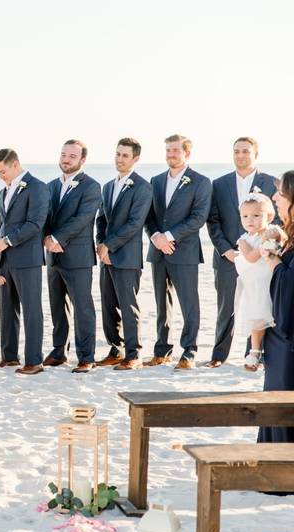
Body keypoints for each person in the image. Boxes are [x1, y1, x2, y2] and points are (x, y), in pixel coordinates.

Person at [205, 137, 277, 367]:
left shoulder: (271, 182)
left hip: (261, 260)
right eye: (236, 151)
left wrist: (266, 248)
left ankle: (254, 354)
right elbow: (213, 221)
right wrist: (225, 249)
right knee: (226, 307)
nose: (240, 155)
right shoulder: (219, 183)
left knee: (260, 304)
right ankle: (219, 355)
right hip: (228, 257)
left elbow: (279, 220)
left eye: (245, 151)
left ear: (256, 154)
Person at [143, 134, 212, 370]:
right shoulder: (156, 180)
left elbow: (198, 218)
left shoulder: (201, 182)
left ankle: (189, 351)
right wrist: (155, 238)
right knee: (161, 304)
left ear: (187, 153)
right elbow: (149, 216)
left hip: (184, 251)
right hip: (158, 251)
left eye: (175, 150)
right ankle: (162, 350)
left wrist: (168, 237)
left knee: (189, 303)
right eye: (168, 150)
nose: (171, 154)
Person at [0, 148, 50, 375]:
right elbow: (2, 223)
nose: (1, 176)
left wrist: (7, 241)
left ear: (15, 164)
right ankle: (9, 357)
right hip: (5, 261)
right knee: (7, 309)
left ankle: (34, 361)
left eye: (3, 171)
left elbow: (35, 224)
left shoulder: (37, 187)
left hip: (27, 259)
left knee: (31, 310)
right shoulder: (4, 192)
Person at [42, 140, 100, 373]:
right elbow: (43, 217)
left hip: (78, 258)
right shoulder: (50, 186)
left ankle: (87, 356)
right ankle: (59, 351)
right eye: (64, 154)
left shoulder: (91, 187)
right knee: (57, 306)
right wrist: (45, 238)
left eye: (72, 156)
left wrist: (56, 239)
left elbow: (82, 219)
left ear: (82, 160)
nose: (66, 159)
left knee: (83, 308)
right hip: (53, 257)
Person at [95, 138, 152, 370]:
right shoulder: (108, 186)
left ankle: (133, 354)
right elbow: (101, 220)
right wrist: (100, 245)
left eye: (125, 155)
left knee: (128, 307)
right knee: (108, 305)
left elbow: (134, 223)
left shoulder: (143, 187)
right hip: (106, 256)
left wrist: (109, 245)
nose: (119, 159)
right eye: (117, 154)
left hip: (127, 256)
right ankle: (115, 349)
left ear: (135, 159)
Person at [258, 171, 294, 444]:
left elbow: (290, 285)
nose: (274, 198)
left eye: (280, 194)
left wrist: (273, 262)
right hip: (279, 336)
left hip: (288, 337)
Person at [234, 194, 284, 371]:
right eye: (245, 216)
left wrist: (275, 237)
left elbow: (281, 244)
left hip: (274, 280)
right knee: (257, 318)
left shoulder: (274, 231)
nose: (250, 220)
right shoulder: (243, 240)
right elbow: (251, 257)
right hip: (256, 286)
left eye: (256, 215)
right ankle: (255, 352)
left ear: (269, 217)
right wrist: (264, 241)